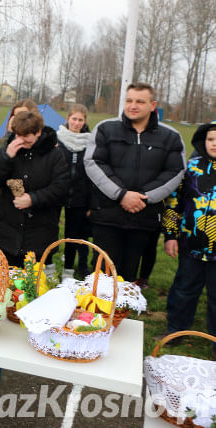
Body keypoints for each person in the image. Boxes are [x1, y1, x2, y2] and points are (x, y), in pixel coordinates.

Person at [84, 82, 186, 282]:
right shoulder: (105, 129)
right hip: (107, 215)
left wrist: (143, 197)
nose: (133, 105)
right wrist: (122, 194)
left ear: (152, 105)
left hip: (143, 216)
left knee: (128, 275)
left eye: (140, 101)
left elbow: (175, 171)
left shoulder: (171, 137)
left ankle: (122, 311)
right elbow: (93, 162)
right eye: (129, 100)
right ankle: (98, 312)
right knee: (102, 274)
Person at [0, 110, 70, 266]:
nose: (20, 141)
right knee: (3, 284)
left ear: (38, 132)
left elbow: (61, 188)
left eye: (26, 137)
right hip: (6, 234)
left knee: (32, 287)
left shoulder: (54, 155)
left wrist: (33, 199)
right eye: (17, 135)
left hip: (39, 236)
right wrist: (6, 158)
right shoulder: (10, 149)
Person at [161, 120, 216, 358]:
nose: (215, 144)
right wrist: (171, 236)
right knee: (184, 289)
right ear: (203, 141)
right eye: (211, 139)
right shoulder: (191, 168)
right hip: (191, 246)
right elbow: (174, 203)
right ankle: (176, 330)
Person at [56, 104, 92, 279]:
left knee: (73, 235)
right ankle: (47, 266)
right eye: (74, 119)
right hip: (57, 194)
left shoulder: (90, 142)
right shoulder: (57, 139)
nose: (76, 123)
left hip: (79, 197)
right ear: (67, 119)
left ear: (84, 122)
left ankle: (68, 271)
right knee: (50, 232)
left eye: (80, 120)